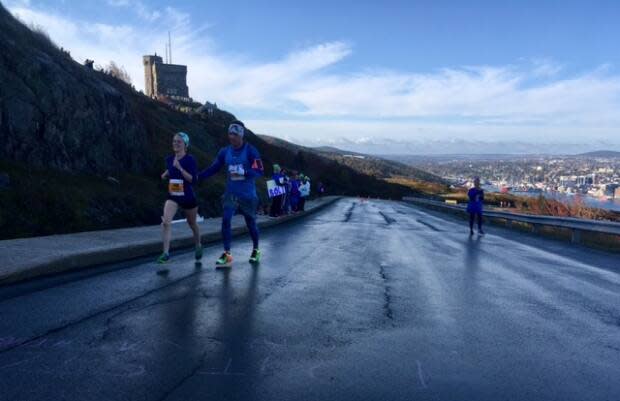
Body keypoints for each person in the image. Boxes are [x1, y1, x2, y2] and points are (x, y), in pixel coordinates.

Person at [199, 121, 264, 267]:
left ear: (241, 135)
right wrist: (199, 176)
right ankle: (227, 253)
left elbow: (260, 171)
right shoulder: (225, 152)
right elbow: (214, 167)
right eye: (230, 134)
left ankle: (256, 249)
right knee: (226, 220)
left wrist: (245, 172)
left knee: (251, 223)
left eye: (235, 134)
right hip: (231, 193)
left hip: (247, 195)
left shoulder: (251, 151)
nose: (231, 137)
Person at [157, 132, 202, 264]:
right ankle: (165, 253)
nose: (175, 143)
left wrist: (180, 168)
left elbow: (193, 180)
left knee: (192, 223)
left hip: (187, 197)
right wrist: (165, 174)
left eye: (179, 142)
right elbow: (171, 169)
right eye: (174, 141)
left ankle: (198, 244)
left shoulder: (190, 159)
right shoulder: (169, 159)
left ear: (185, 145)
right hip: (173, 196)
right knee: (166, 222)